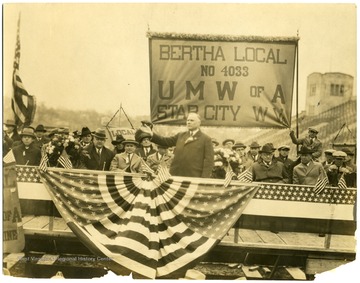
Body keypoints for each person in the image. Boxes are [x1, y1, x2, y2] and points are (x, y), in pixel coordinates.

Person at [137, 113, 214, 178]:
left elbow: (209, 161)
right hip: (175, 175)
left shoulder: (206, 139)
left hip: (193, 177)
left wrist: (204, 179)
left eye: (192, 120)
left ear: (199, 123)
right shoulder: (181, 135)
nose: (188, 122)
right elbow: (165, 141)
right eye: (187, 120)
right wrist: (152, 134)